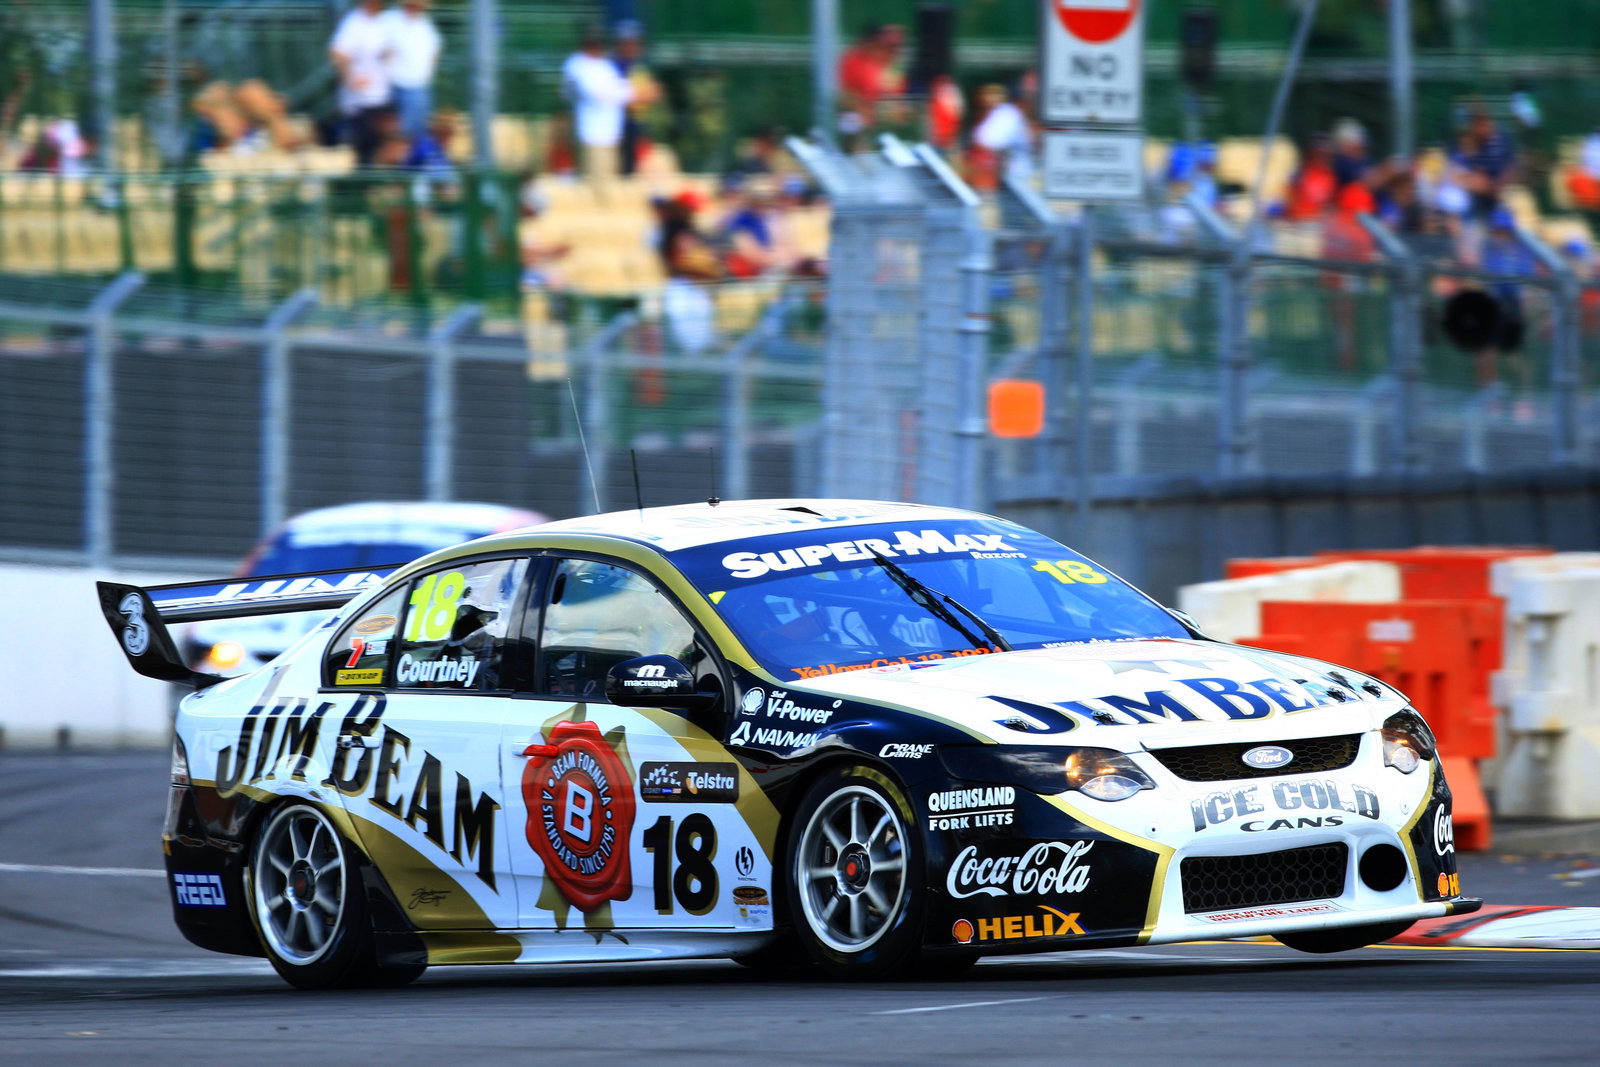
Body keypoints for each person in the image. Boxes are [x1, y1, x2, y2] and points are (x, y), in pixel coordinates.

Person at [561, 24, 634, 195]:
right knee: (595, 185)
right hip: (591, 133)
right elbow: (597, 93)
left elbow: (624, 91)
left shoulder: (604, 66)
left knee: (608, 181)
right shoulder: (577, 65)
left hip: (610, 132)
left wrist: (622, 93)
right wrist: (621, 93)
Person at [330, 0, 395, 166]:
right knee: (362, 152)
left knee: (380, 149)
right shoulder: (354, 22)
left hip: (380, 98)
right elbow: (338, 53)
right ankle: (361, 187)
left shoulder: (383, 22)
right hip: (359, 103)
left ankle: (374, 186)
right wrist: (350, 78)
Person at [383, 0, 441, 145]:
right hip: (392, 84)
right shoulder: (390, 19)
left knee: (414, 132)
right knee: (394, 133)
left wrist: (427, 72)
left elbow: (435, 51)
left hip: (418, 85)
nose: (414, 7)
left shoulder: (425, 24)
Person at [611, 21, 663, 176]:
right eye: (629, 42)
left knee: (638, 169)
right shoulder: (614, 66)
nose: (634, 46)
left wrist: (642, 95)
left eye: (636, 42)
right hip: (621, 127)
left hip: (639, 124)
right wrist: (640, 95)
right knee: (624, 169)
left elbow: (655, 93)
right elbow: (625, 98)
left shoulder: (639, 65)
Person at [838, 23, 905, 141]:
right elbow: (848, 95)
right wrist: (865, 112)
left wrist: (892, 109)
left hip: (880, 115)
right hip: (857, 116)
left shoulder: (886, 62)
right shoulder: (852, 60)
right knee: (851, 123)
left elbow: (893, 94)